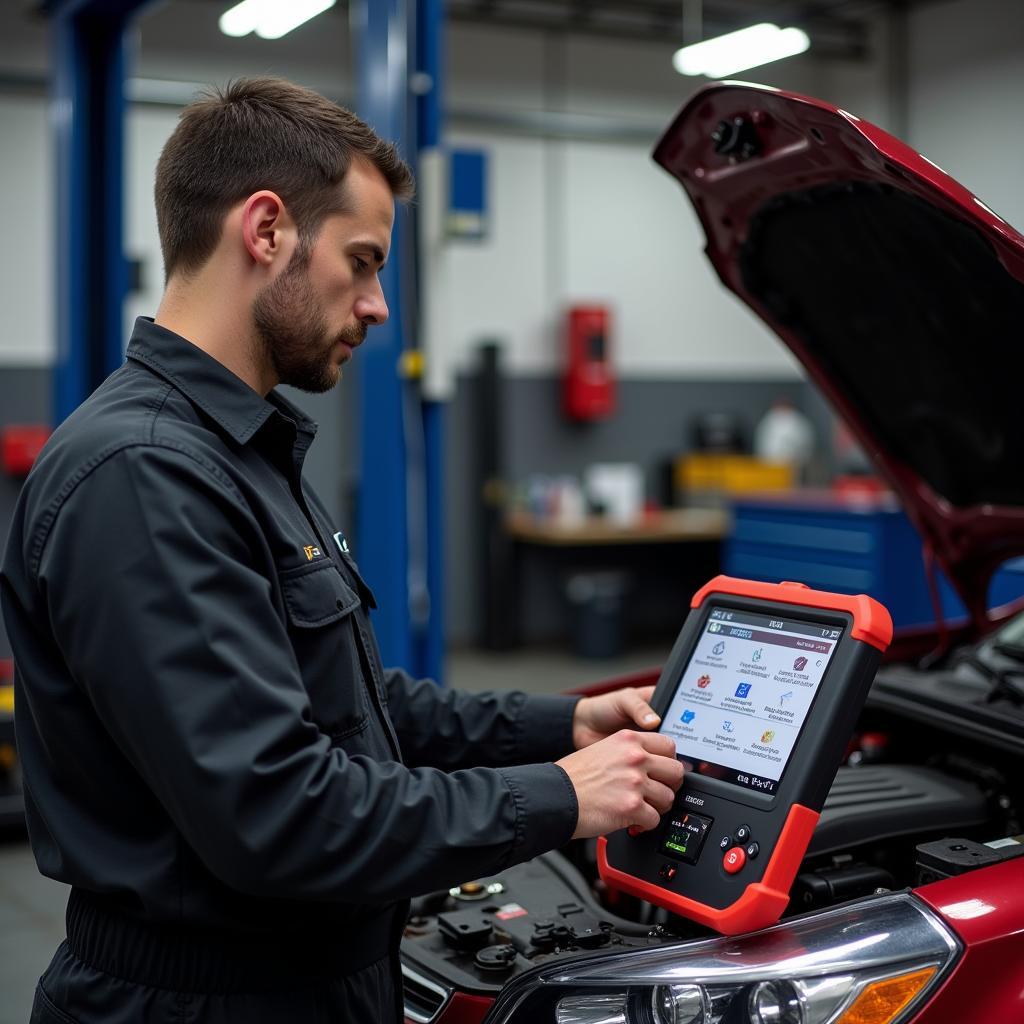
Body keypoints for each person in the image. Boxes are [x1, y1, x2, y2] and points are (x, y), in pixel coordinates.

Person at [0, 78, 684, 1023]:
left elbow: (350, 706)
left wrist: (557, 727)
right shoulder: (146, 476)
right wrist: (558, 797)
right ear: (267, 229)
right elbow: (281, 814)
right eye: (362, 263)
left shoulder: (235, 452)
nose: (377, 308)